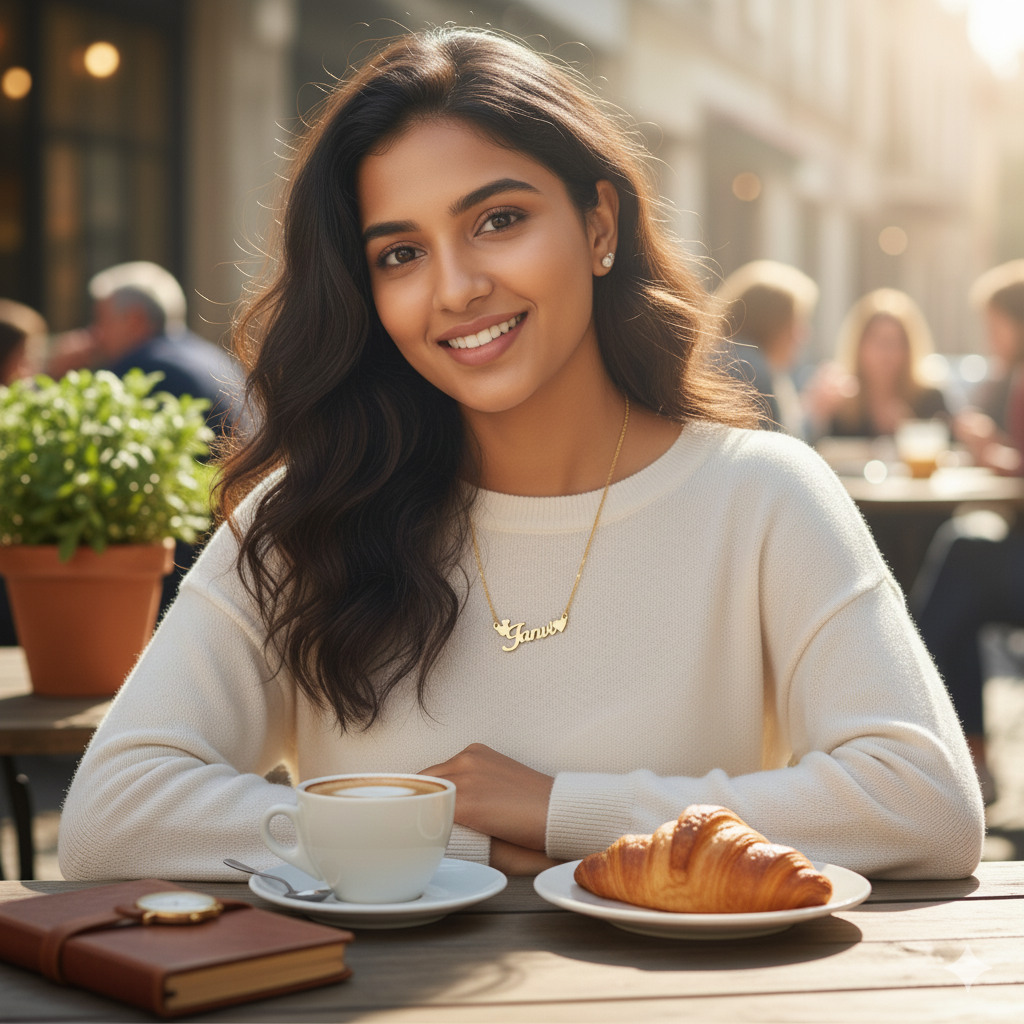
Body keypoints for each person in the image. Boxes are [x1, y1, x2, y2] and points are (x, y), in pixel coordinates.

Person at [59, 28, 982, 883]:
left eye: (497, 220)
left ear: (599, 226)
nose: (456, 288)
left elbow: (924, 802)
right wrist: (446, 835)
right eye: (400, 254)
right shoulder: (311, 514)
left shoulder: (761, 496)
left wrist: (562, 811)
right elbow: (115, 816)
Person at [913, 262, 1024, 803]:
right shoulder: (1007, 377)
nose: (989, 337)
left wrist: (993, 454)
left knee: (962, 558)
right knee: (964, 577)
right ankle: (971, 758)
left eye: (993, 324)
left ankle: (907, 692)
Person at [821, 289, 947, 438]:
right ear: (857, 345)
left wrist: (908, 428)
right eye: (877, 341)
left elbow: (949, 449)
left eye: (895, 342)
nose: (886, 353)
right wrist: (818, 416)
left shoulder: (929, 399)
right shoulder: (840, 402)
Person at [715, 261, 818, 438]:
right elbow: (779, 448)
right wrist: (816, 412)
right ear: (770, 323)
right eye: (795, 322)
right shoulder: (749, 368)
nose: (803, 335)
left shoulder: (734, 358)